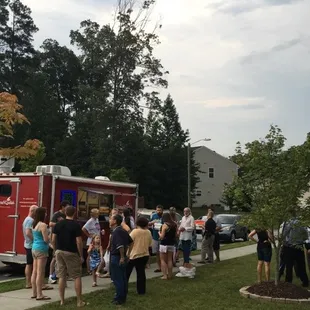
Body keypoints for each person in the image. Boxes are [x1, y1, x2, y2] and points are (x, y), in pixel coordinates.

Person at [52, 206, 86, 307]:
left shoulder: (58, 225)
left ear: (65, 213)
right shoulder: (76, 225)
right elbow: (79, 241)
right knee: (76, 276)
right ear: (74, 213)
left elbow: (53, 239)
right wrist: (81, 254)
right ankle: (79, 301)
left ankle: (62, 300)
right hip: (71, 252)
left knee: (61, 276)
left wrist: (55, 250)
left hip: (59, 251)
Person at [110, 214, 133, 305]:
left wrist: (123, 256)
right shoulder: (123, 231)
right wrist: (128, 253)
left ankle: (119, 298)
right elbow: (131, 242)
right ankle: (123, 296)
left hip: (117, 257)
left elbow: (120, 245)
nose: (109, 220)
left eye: (111, 218)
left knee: (118, 278)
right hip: (121, 257)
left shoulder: (117, 232)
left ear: (115, 221)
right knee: (123, 278)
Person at [127, 217, 152, 295]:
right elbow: (150, 243)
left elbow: (129, 241)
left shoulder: (135, 231)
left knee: (126, 273)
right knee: (141, 273)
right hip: (145, 254)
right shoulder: (148, 232)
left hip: (134, 254)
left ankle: (124, 288)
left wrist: (127, 253)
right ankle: (141, 291)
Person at [31, 207, 51, 301]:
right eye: (45, 213)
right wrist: (50, 236)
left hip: (34, 247)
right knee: (40, 272)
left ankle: (34, 292)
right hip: (42, 249)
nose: (46, 214)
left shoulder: (34, 224)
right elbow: (46, 239)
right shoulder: (43, 225)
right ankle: (39, 294)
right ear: (42, 214)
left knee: (34, 271)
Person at [48, 200, 70, 284]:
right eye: (67, 206)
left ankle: (61, 275)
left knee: (62, 257)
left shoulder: (66, 215)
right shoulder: (57, 214)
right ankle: (51, 275)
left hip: (64, 238)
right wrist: (60, 223)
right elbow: (50, 224)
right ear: (63, 207)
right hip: (56, 238)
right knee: (55, 257)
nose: (68, 208)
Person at [282, 219, 309, 287]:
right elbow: (306, 235)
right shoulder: (301, 223)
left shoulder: (287, 223)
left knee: (289, 266)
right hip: (299, 246)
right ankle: (305, 281)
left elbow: (284, 234)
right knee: (301, 265)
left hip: (289, 247)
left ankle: (288, 282)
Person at [82, 208, 104, 273]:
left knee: (97, 254)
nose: (98, 214)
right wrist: (88, 235)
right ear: (94, 214)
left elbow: (97, 228)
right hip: (92, 240)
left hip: (97, 239)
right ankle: (89, 269)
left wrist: (101, 231)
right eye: (97, 213)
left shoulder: (96, 220)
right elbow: (83, 228)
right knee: (90, 255)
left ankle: (96, 267)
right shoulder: (90, 221)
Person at [22, 205, 38, 289]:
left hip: (27, 244)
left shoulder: (26, 219)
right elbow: (28, 232)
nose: (37, 214)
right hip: (30, 245)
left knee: (29, 264)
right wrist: (35, 240)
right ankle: (29, 283)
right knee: (30, 264)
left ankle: (29, 282)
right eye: (36, 212)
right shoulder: (30, 220)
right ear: (32, 211)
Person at [159, 213, 177, 279]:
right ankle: (170, 274)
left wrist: (159, 233)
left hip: (164, 244)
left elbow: (162, 237)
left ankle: (164, 275)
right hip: (171, 244)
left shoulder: (165, 225)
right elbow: (176, 235)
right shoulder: (174, 225)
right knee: (170, 260)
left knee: (163, 260)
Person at [149, 205, 163, 272]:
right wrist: (152, 222)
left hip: (163, 237)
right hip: (155, 237)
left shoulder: (164, 216)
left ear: (162, 210)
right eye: (157, 210)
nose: (158, 211)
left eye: (160, 210)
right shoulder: (153, 216)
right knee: (157, 253)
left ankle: (163, 267)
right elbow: (149, 224)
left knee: (162, 253)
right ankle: (159, 267)